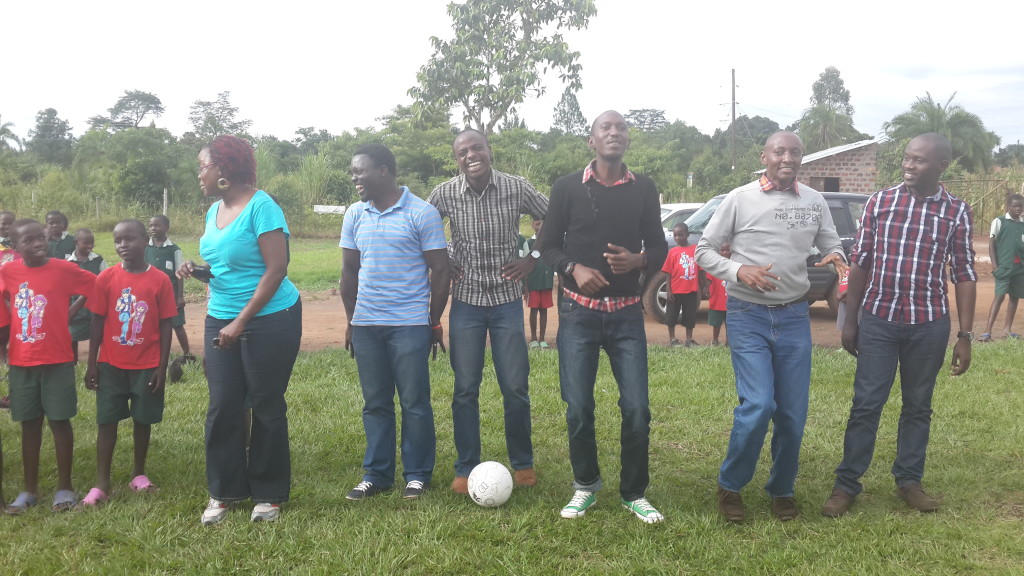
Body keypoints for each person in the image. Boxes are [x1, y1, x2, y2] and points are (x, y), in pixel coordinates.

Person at [821, 133, 977, 517]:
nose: (909, 165)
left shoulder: (956, 211)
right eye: (907, 158)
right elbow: (860, 262)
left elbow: (965, 272)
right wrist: (851, 319)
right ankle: (846, 484)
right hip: (879, 319)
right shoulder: (881, 201)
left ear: (941, 166)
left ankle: (909, 480)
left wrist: (965, 336)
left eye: (919, 160)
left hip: (929, 323)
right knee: (866, 404)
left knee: (918, 406)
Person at [695, 130, 847, 523]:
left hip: (795, 316)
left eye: (795, 152)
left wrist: (835, 255)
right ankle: (730, 487)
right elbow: (703, 250)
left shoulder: (814, 201)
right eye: (780, 151)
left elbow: (831, 242)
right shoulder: (739, 198)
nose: (788, 158)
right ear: (764, 156)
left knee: (793, 414)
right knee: (759, 404)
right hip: (748, 315)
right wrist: (738, 270)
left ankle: (782, 489)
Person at [536, 110, 668, 524]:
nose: (614, 132)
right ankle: (585, 485)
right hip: (578, 315)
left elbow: (660, 248)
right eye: (605, 128)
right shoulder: (566, 188)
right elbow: (545, 246)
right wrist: (573, 268)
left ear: (628, 140)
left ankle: (633, 492)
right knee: (578, 406)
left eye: (621, 128)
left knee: (637, 408)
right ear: (591, 141)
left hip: (627, 315)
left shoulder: (644, 188)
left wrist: (639, 260)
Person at [178, 134, 302, 525]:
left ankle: (268, 494)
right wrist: (197, 271)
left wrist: (242, 321)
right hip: (222, 315)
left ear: (224, 169)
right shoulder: (213, 210)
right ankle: (224, 491)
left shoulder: (263, 207)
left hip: (271, 316)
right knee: (223, 404)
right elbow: (225, 269)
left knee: (265, 403)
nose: (200, 173)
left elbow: (276, 270)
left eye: (204, 166)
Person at [428, 129, 546, 494]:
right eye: (462, 152)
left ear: (489, 151)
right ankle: (466, 467)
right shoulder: (445, 193)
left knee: (514, 386)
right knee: (465, 388)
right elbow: (419, 228)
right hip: (465, 302)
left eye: (476, 148)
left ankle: (523, 463)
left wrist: (533, 259)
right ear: (457, 159)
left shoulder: (517, 187)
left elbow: (557, 219)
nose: (470, 156)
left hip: (507, 302)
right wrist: (445, 260)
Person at [341, 143, 450, 500]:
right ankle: (377, 473)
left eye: (360, 171)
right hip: (367, 324)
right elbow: (349, 271)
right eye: (353, 172)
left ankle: (417, 474)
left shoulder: (422, 213)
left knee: (414, 401)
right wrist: (351, 320)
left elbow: (440, 271)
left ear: (384, 170)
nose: (355, 178)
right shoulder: (355, 214)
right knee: (375, 403)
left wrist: (433, 322)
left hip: (409, 324)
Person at [0, 218, 98, 514]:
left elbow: (95, 288)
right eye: (28, 241)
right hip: (21, 362)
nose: (37, 244)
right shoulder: (8, 271)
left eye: (39, 238)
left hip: (57, 360)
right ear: (15, 247)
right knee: (29, 425)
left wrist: (69, 311)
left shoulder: (63, 269)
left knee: (59, 422)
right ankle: (29, 490)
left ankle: (64, 487)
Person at [79, 219, 177, 506]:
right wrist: (93, 363)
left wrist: (161, 366)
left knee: (142, 420)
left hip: (146, 365)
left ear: (144, 241)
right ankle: (102, 482)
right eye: (118, 240)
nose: (123, 245)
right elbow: (97, 322)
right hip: (111, 365)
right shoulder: (106, 278)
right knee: (106, 421)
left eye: (130, 239)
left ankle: (138, 473)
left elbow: (166, 325)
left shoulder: (159, 280)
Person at [978, 194, 1024, 342]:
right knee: (999, 296)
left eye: (1021, 206)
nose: (1018, 209)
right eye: (1015, 206)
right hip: (1003, 267)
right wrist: (995, 266)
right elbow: (992, 243)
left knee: (1014, 297)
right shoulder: (1000, 221)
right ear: (1008, 206)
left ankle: (1007, 330)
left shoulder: (1022, 223)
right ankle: (987, 331)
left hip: (1019, 268)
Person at [146, 215, 193, 357]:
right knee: (152, 324)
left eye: (157, 225)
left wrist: (179, 296)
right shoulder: (145, 248)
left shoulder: (174, 249)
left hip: (171, 293)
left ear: (167, 228)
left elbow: (179, 273)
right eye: (151, 225)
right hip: (149, 293)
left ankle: (187, 354)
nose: (153, 228)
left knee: (177, 324)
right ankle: (155, 353)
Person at [67, 228, 107, 359]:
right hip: (75, 304)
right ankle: (73, 361)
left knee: (97, 332)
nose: (90, 246)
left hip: (95, 304)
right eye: (86, 243)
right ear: (76, 243)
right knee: (73, 334)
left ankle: (96, 358)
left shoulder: (98, 260)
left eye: (92, 242)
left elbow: (106, 279)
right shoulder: (68, 263)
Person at [662, 223, 700, 347]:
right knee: (671, 315)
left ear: (687, 234)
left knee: (690, 316)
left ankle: (689, 339)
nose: (678, 238)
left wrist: (704, 286)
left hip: (691, 290)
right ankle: (672, 339)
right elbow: (667, 271)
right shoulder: (672, 252)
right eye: (675, 235)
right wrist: (668, 289)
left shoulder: (695, 249)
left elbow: (701, 270)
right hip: (675, 290)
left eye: (681, 235)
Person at [521, 218, 555, 348]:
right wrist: (525, 284)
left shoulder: (549, 243)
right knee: (534, 309)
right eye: (537, 224)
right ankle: (534, 339)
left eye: (542, 224)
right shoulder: (528, 243)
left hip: (546, 282)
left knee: (544, 310)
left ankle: (542, 338)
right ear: (532, 225)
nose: (539, 226)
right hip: (533, 282)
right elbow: (524, 265)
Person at [707, 242, 732, 346]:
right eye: (722, 250)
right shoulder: (714, 265)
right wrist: (706, 290)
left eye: (727, 250)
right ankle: (715, 340)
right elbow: (708, 279)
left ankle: (728, 341)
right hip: (717, 300)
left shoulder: (733, 264)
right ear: (718, 251)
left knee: (729, 323)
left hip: (730, 301)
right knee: (716, 323)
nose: (725, 252)